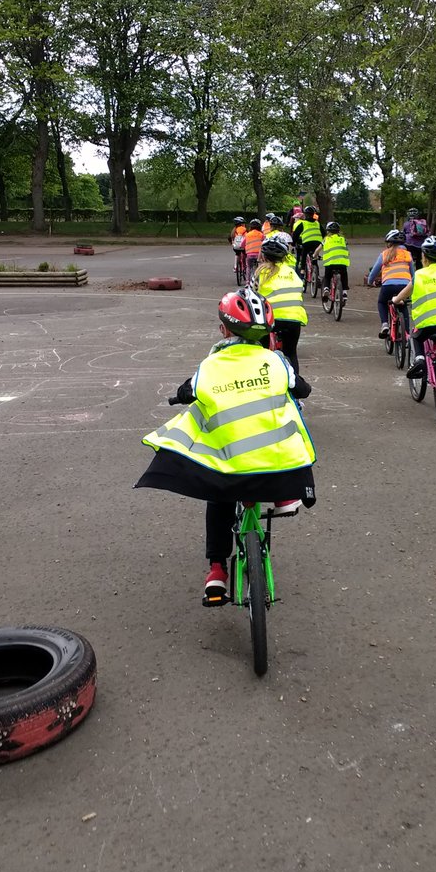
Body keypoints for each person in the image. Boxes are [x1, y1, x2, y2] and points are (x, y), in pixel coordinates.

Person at [136, 289, 316, 605]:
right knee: (288, 410)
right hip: (281, 470)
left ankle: (217, 570)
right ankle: (285, 496)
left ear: (224, 330)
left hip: (231, 469)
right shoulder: (276, 362)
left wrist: (179, 395)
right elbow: (302, 389)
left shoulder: (210, 366)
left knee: (218, 496)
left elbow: (187, 391)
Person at [391, 234, 436, 378]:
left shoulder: (420, 274)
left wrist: (396, 299)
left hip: (427, 323)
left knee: (415, 337)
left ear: (424, 257)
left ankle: (420, 360)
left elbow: (404, 294)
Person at [252, 232, 308, 374]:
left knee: (262, 352)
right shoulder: (291, 272)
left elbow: (250, 294)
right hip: (294, 318)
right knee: (291, 353)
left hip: (270, 319)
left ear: (264, 256)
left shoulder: (261, 272)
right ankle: (295, 389)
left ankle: (265, 380)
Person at [365, 229, 414, 337]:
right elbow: (413, 273)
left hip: (388, 285)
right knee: (403, 305)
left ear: (389, 243)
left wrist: (370, 281)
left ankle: (385, 324)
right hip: (405, 285)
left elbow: (374, 271)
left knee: (382, 302)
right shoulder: (407, 254)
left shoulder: (384, 254)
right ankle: (406, 333)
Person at [313, 221, 350, 304]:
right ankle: (344, 292)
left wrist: (314, 256)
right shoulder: (343, 239)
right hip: (342, 262)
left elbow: (317, 250)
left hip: (330, 263)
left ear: (328, 231)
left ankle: (326, 288)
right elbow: (347, 250)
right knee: (344, 275)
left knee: (327, 276)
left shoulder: (326, 239)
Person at [292, 206, 323, 282]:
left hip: (307, 243)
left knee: (304, 255)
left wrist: (293, 243)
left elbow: (296, 234)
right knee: (314, 258)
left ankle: (302, 273)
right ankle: (317, 275)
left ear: (305, 215)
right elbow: (324, 233)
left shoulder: (303, 223)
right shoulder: (317, 223)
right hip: (317, 244)